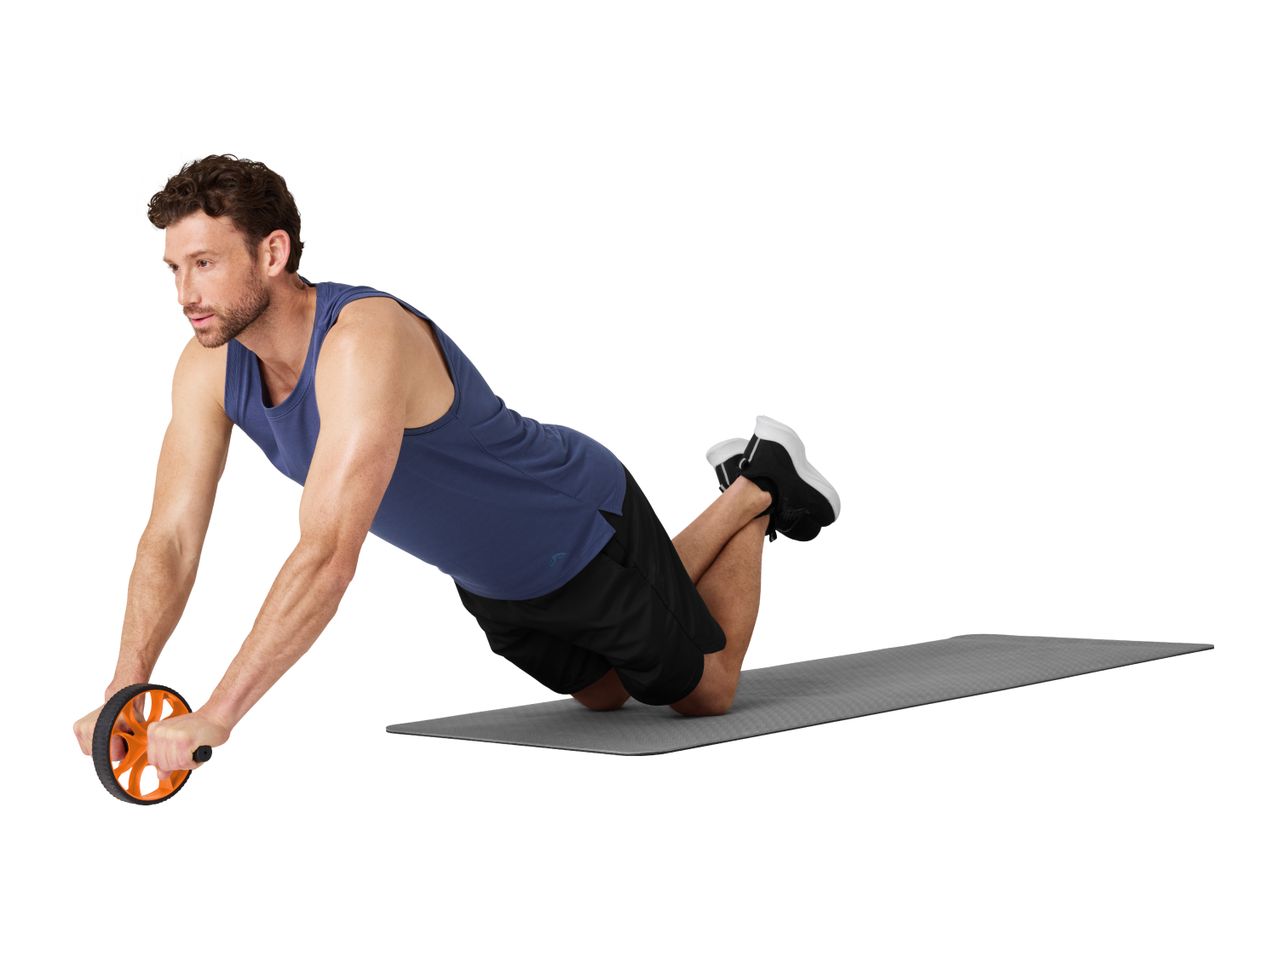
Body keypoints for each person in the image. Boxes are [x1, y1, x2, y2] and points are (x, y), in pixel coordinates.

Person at [73, 154, 841, 777]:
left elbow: (327, 554)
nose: (184, 293)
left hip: (573, 522)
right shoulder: (210, 366)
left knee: (702, 692)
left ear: (272, 252)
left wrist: (219, 711)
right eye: (173, 269)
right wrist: (126, 681)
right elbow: (170, 537)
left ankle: (760, 484)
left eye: (204, 263)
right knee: (606, 695)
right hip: (494, 580)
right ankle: (736, 501)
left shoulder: (362, 341)